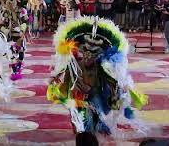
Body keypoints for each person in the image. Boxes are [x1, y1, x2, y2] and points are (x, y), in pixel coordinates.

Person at [47, 17, 148, 145]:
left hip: (94, 94)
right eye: (87, 52)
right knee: (81, 121)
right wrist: (57, 85)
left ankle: (92, 134)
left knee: (97, 115)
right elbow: (65, 79)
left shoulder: (101, 67)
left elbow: (111, 79)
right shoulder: (73, 65)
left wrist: (119, 89)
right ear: (82, 51)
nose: (89, 56)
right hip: (78, 96)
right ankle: (85, 138)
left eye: (93, 53)